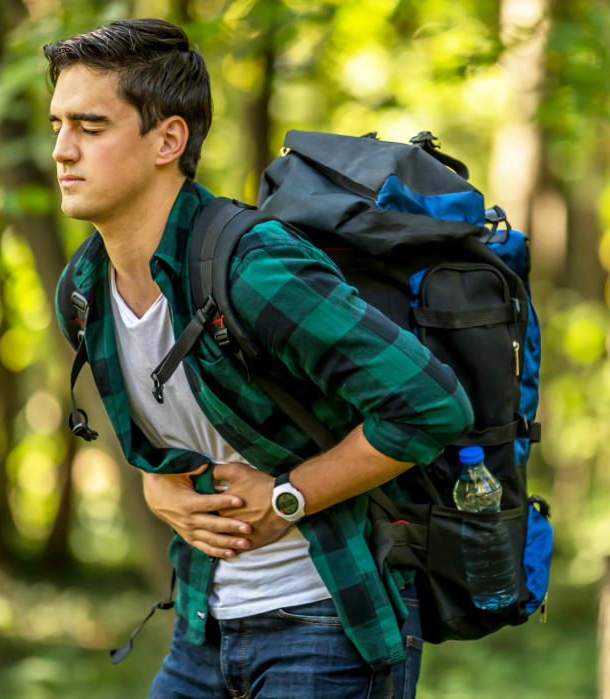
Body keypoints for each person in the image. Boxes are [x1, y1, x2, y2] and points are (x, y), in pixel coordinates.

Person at [43, 18, 473, 698]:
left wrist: (288, 496)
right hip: (201, 624)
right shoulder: (85, 290)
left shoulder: (252, 269)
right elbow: (179, 447)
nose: (63, 150)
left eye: (90, 127)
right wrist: (160, 489)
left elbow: (432, 403)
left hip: (330, 623)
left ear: (169, 139)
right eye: (58, 125)